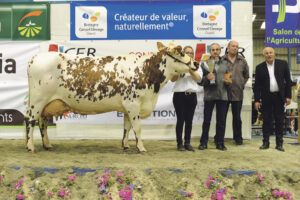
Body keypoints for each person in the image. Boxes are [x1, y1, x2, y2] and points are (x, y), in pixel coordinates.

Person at [254, 47, 291, 152]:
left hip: (279, 97)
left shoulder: (283, 64)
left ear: (274, 54)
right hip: (266, 97)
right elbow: (257, 86)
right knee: (266, 120)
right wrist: (257, 100)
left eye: (270, 53)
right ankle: (265, 142)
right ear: (263, 55)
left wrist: (288, 97)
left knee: (279, 120)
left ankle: (279, 144)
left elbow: (288, 82)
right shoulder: (259, 67)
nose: (269, 55)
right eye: (266, 53)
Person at [198, 43, 231, 151]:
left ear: (220, 51)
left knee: (221, 121)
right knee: (206, 121)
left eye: (217, 49)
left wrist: (228, 82)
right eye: (213, 50)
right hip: (209, 96)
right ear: (210, 51)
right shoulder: (204, 64)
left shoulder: (226, 64)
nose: (215, 51)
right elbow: (200, 82)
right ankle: (203, 143)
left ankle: (220, 143)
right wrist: (207, 78)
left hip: (222, 95)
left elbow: (228, 78)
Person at [171, 46, 202, 152]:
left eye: (191, 53)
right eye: (187, 52)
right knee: (180, 120)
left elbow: (198, 78)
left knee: (189, 121)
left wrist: (190, 69)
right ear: (183, 54)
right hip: (179, 95)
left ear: (193, 54)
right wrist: (180, 71)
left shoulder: (197, 65)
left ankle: (187, 143)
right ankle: (179, 144)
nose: (189, 54)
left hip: (192, 95)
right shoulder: (178, 65)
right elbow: (172, 79)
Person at [223, 40, 249, 145]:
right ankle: (219, 138)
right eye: (233, 46)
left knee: (237, 117)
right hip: (223, 93)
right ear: (228, 47)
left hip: (238, 93)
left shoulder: (242, 61)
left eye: (236, 46)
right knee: (222, 117)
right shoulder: (221, 60)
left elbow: (246, 76)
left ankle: (238, 138)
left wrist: (240, 84)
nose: (235, 48)